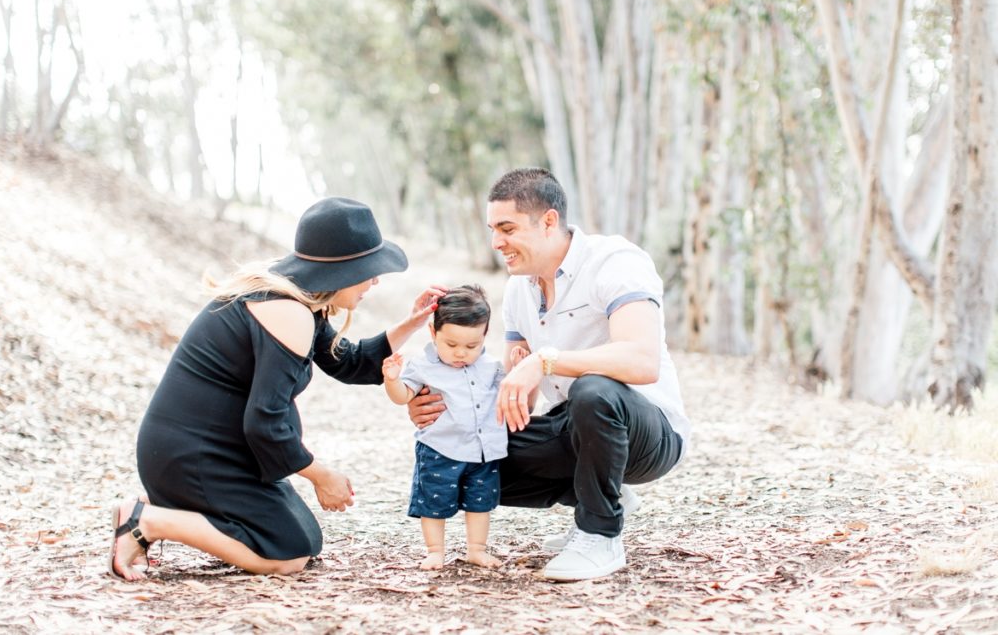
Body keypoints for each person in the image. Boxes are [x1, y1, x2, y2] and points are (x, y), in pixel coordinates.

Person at [109, 197, 445, 581]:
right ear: (343, 270)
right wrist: (321, 475)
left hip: (217, 450)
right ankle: (147, 521)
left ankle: (156, 504)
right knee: (284, 556)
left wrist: (412, 324)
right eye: (370, 271)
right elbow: (265, 423)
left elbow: (348, 362)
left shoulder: (301, 300)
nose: (375, 281)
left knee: (304, 539)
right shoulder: (286, 311)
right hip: (190, 454)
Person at [407, 168, 690, 581]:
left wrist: (545, 360)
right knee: (465, 452)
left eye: (507, 228)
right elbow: (512, 399)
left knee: (595, 391)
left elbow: (641, 361)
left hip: (647, 432)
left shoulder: (614, 261)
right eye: (492, 229)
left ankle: (600, 535)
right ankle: (601, 497)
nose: (496, 242)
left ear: (549, 221)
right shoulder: (521, 288)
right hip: (576, 431)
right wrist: (438, 407)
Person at [381, 285, 507, 571]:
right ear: (433, 333)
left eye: (471, 346)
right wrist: (392, 380)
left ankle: (476, 549)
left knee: (480, 503)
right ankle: (435, 550)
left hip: (482, 452)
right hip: (441, 448)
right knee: (434, 502)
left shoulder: (491, 367)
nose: (461, 353)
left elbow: (506, 397)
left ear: (484, 336)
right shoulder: (423, 365)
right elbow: (404, 397)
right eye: (451, 345)